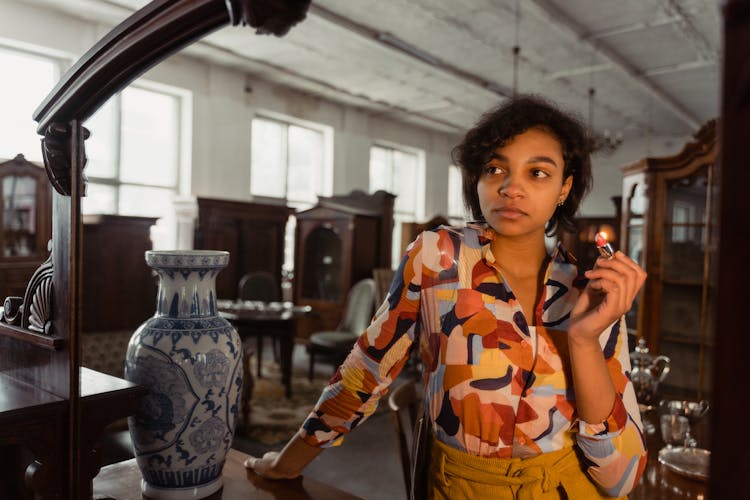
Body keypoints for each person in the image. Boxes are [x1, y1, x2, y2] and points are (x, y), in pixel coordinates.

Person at [244, 95, 648, 499]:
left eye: (538, 172)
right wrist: (286, 462)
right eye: (495, 168)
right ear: (477, 179)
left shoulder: (590, 290)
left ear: (565, 187)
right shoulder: (438, 258)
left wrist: (582, 339)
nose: (511, 188)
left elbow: (620, 479)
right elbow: (368, 368)